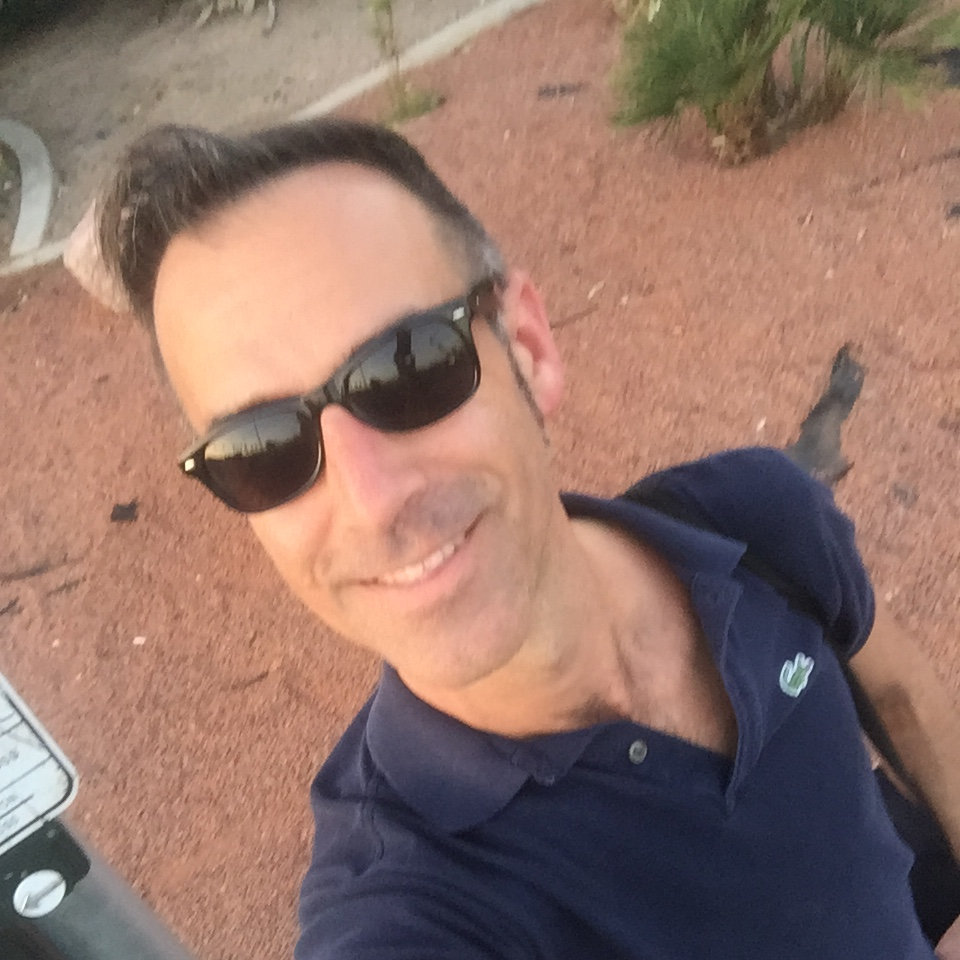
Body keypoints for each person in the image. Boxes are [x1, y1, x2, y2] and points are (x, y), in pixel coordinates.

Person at [90, 118, 960, 958]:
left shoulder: (754, 517)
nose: (371, 499)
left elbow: (904, 699)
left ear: (530, 348)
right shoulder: (412, 903)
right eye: (262, 451)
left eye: (407, 368)